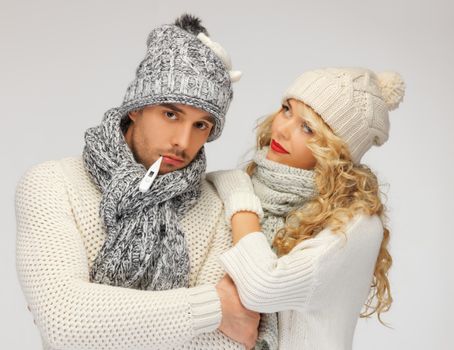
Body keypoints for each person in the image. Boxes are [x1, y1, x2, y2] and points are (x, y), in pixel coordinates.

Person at [15, 14, 276, 350]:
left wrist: (103, 318)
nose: (183, 141)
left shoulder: (219, 207)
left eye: (202, 125)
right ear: (136, 108)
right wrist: (214, 307)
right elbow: (65, 323)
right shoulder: (52, 184)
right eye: (171, 114)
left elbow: (230, 343)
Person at [208, 67, 405, 349]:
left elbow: (262, 287)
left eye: (308, 128)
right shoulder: (257, 184)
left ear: (336, 150)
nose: (282, 129)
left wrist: (238, 195)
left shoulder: (356, 222)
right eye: (287, 109)